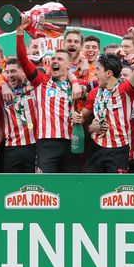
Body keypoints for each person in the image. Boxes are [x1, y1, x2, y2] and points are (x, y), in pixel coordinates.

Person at [15, 18, 83, 173]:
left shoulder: (78, 86)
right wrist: (20, 32)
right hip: (47, 142)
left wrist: (81, 118)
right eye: (52, 59)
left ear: (69, 65)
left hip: (72, 142)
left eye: (59, 59)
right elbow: (23, 59)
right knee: (47, 184)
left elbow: (87, 110)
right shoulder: (41, 82)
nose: (54, 61)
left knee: (70, 184)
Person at [74, 28, 134, 173]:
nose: (95, 73)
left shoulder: (125, 89)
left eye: (98, 70)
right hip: (96, 146)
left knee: (114, 190)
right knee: (92, 187)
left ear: (108, 73)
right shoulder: (94, 92)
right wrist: (87, 126)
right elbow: (82, 119)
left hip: (118, 149)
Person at [0, 58, 39, 173]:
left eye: (13, 71)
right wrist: (3, 85)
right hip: (11, 147)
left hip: (34, 145)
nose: (10, 75)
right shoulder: (1, 90)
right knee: (11, 186)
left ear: (23, 72)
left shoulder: (36, 87)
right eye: (8, 72)